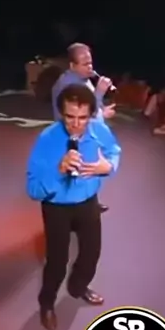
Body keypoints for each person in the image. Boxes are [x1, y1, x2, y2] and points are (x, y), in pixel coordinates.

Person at [26, 83, 121, 330]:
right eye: (70, 117)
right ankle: (47, 303)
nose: (76, 124)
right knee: (56, 263)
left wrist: (109, 166)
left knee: (91, 255)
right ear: (61, 114)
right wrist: (58, 170)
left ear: (91, 115)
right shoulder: (47, 139)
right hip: (56, 207)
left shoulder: (99, 130)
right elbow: (33, 189)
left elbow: (113, 151)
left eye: (83, 118)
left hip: (88, 203)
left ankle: (78, 288)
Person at [51, 42, 115, 212]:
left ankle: (88, 201)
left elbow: (90, 108)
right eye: (85, 64)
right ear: (72, 66)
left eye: (91, 63)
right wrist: (100, 93)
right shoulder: (68, 85)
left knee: (88, 167)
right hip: (71, 133)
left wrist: (101, 111)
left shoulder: (82, 80)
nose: (90, 68)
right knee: (77, 170)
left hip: (84, 131)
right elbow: (82, 111)